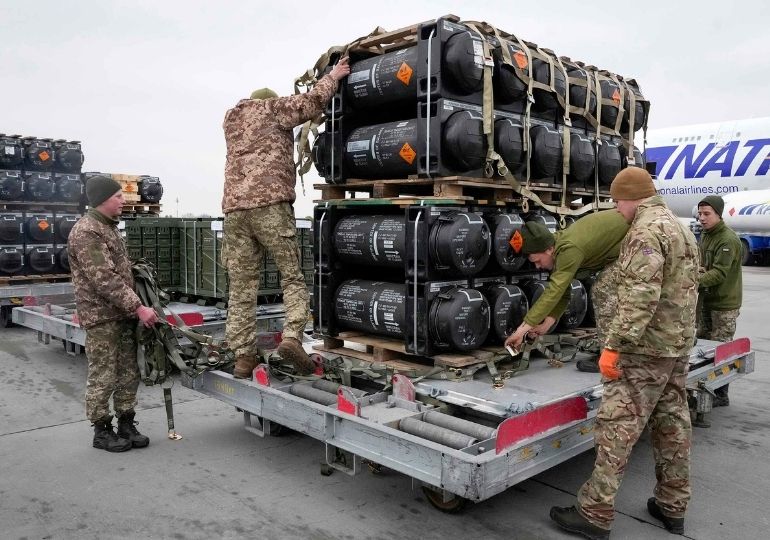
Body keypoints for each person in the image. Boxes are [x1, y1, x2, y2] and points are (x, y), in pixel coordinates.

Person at [549, 167, 699, 539]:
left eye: (617, 202)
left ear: (631, 197)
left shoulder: (645, 231)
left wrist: (614, 346)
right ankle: (672, 505)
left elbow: (639, 299)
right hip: (675, 347)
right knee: (672, 426)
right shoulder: (681, 228)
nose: (617, 210)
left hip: (643, 351)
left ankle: (594, 512)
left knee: (617, 428)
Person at [222, 57, 351, 378]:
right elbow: (310, 103)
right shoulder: (273, 110)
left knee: (241, 287)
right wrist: (333, 76)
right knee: (291, 276)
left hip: (234, 212)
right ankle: (292, 337)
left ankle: (243, 357)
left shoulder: (231, 120)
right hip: (271, 206)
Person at [68, 175, 159, 452]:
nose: (123, 201)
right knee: (104, 374)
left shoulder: (108, 228)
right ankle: (101, 429)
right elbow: (104, 278)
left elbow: (121, 272)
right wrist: (138, 307)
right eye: (119, 196)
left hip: (121, 315)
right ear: (103, 199)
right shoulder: (87, 232)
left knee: (128, 372)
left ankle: (126, 422)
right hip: (103, 317)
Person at [504, 210, 629, 372]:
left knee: (603, 290)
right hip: (625, 246)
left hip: (639, 241)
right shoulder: (558, 247)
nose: (538, 266)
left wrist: (521, 330)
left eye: (537, 260)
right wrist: (545, 325)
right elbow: (562, 291)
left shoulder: (569, 249)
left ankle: (613, 359)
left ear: (549, 249)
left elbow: (554, 291)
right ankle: (614, 352)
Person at [696, 195, 743, 407]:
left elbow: (719, 273)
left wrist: (691, 281)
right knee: (704, 349)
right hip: (707, 300)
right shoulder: (706, 235)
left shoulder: (727, 239)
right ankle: (706, 389)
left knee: (721, 350)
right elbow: (704, 264)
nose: (702, 218)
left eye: (707, 214)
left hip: (724, 304)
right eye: (700, 214)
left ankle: (721, 394)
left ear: (718, 214)